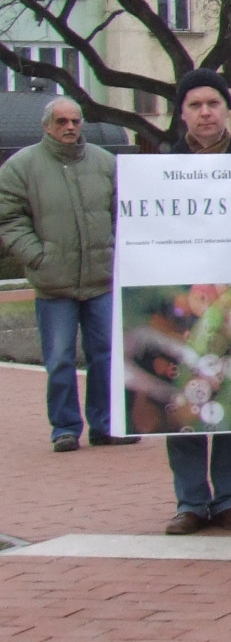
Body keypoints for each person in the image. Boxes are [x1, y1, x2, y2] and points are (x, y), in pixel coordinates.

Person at [158, 71, 231, 533]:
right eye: (195, 105)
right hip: (185, 297)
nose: (205, 113)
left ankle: (229, 500)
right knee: (185, 397)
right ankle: (191, 502)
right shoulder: (160, 170)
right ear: (182, 113)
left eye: (213, 104)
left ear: (227, 110)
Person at [0, 95, 120, 454]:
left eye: (75, 121)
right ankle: (65, 428)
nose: (69, 127)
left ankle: (106, 425)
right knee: (60, 359)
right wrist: (38, 257)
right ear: (46, 126)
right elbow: (9, 218)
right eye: (61, 121)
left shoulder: (105, 163)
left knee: (106, 356)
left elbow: (123, 213)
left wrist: (116, 252)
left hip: (101, 280)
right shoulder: (20, 167)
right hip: (54, 284)